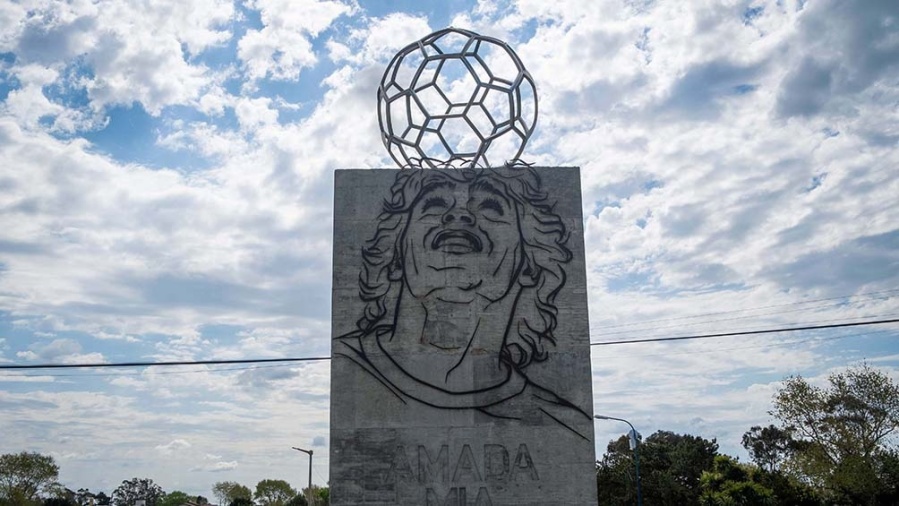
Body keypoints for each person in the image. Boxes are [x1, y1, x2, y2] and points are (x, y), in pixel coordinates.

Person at [335, 165, 591, 439]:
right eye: (434, 204)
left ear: (529, 265)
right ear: (395, 257)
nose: (459, 215)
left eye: (491, 207)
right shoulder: (347, 363)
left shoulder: (564, 426)